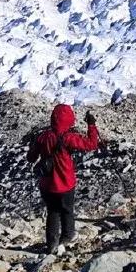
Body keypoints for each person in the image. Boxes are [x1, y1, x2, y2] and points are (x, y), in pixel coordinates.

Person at [27, 104, 99, 253]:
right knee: (67, 210)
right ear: (69, 119)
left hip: (47, 185)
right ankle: (67, 237)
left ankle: (51, 244)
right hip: (66, 183)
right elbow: (92, 144)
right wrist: (91, 125)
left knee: (53, 212)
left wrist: (35, 145)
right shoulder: (69, 138)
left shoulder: (43, 136)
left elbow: (31, 157)